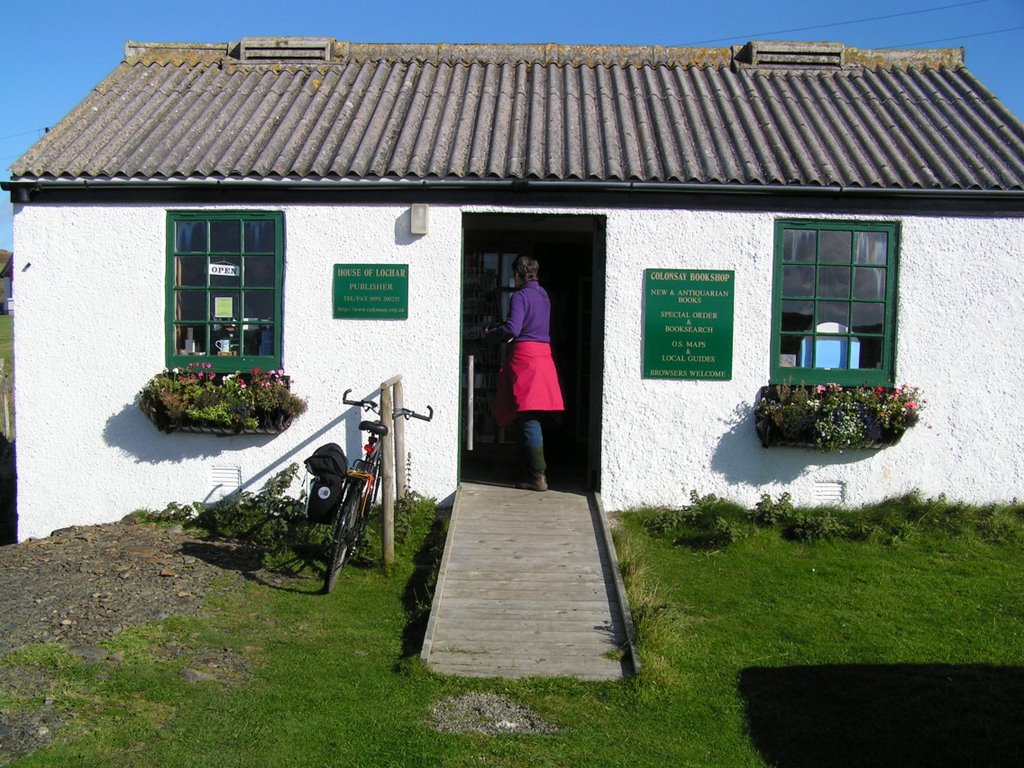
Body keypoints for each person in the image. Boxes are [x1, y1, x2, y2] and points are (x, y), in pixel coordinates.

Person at [484, 255, 564, 491]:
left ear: (518, 275)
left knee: (528, 418)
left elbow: (513, 328)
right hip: (544, 358)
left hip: (526, 360)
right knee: (533, 416)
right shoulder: (543, 295)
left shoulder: (520, 296)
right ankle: (528, 471)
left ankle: (538, 477)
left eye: (514, 275)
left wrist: (490, 333)